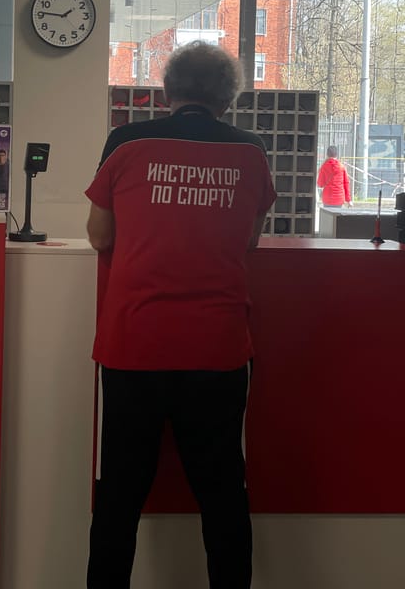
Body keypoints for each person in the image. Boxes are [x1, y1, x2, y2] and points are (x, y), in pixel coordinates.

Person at [85, 41, 277, 589]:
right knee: (222, 492)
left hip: (133, 344)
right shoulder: (251, 149)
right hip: (217, 349)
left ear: (170, 91)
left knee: (119, 492)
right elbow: (250, 243)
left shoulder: (127, 140)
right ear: (228, 96)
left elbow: (100, 235)